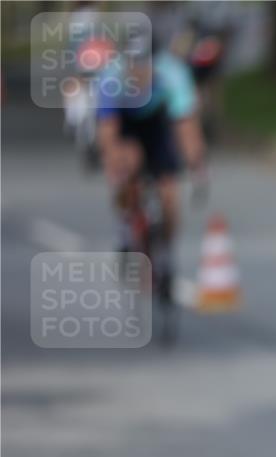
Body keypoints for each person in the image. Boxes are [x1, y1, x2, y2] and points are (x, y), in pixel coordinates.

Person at [96, 25, 206, 297]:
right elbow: (107, 132)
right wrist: (114, 165)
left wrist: (196, 165)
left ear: (155, 60)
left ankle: (165, 253)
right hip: (126, 124)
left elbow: (186, 125)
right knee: (127, 163)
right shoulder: (111, 77)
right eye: (132, 63)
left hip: (157, 126)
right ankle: (125, 229)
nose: (137, 71)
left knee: (169, 196)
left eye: (143, 63)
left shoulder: (172, 74)